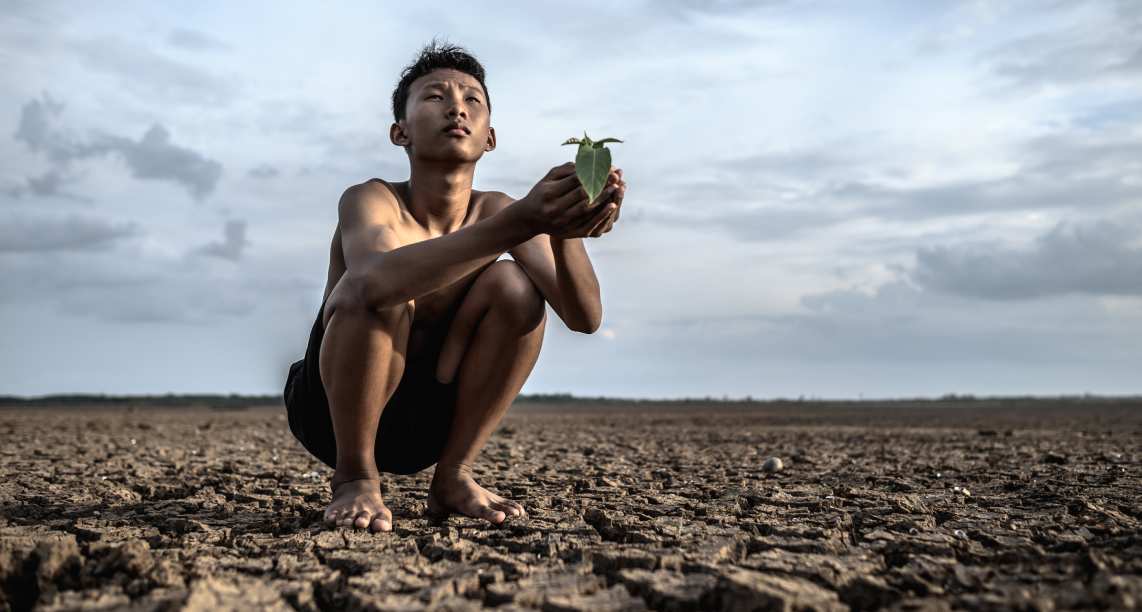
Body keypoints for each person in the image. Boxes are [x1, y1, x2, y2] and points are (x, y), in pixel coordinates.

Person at [282, 40, 627, 533]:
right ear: (400, 132)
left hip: (431, 420)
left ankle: (454, 475)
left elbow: (585, 317)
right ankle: (356, 477)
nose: (456, 108)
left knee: (515, 284)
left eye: (472, 100)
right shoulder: (372, 200)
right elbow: (373, 283)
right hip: (333, 412)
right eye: (435, 98)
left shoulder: (499, 210)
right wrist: (523, 221)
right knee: (376, 289)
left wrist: (564, 233)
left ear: (489, 138)